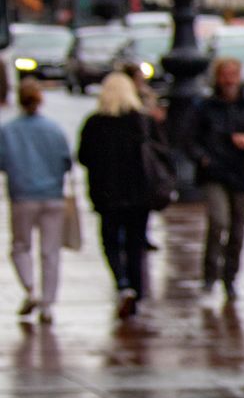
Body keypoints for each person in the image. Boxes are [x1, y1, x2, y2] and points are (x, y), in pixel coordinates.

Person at [184, 56, 244, 305]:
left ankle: (230, 278)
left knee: (237, 230)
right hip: (214, 172)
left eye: (234, 74)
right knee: (218, 222)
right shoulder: (205, 105)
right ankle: (210, 275)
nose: (230, 80)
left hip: (241, 172)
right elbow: (188, 137)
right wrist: (202, 158)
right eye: (225, 74)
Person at [76, 72, 158, 320]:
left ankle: (123, 283)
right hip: (138, 193)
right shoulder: (141, 121)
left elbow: (83, 156)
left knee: (111, 241)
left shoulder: (95, 123)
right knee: (135, 241)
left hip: (106, 193)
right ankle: (137, 287)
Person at [1, 78, 73, 324]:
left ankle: (30, 288)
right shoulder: (53, 129)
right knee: (50, 251)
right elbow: (66, 161)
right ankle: (48, 303)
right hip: (52, 195)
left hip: (23, 196)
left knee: (21, 246)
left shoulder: (9, 131)